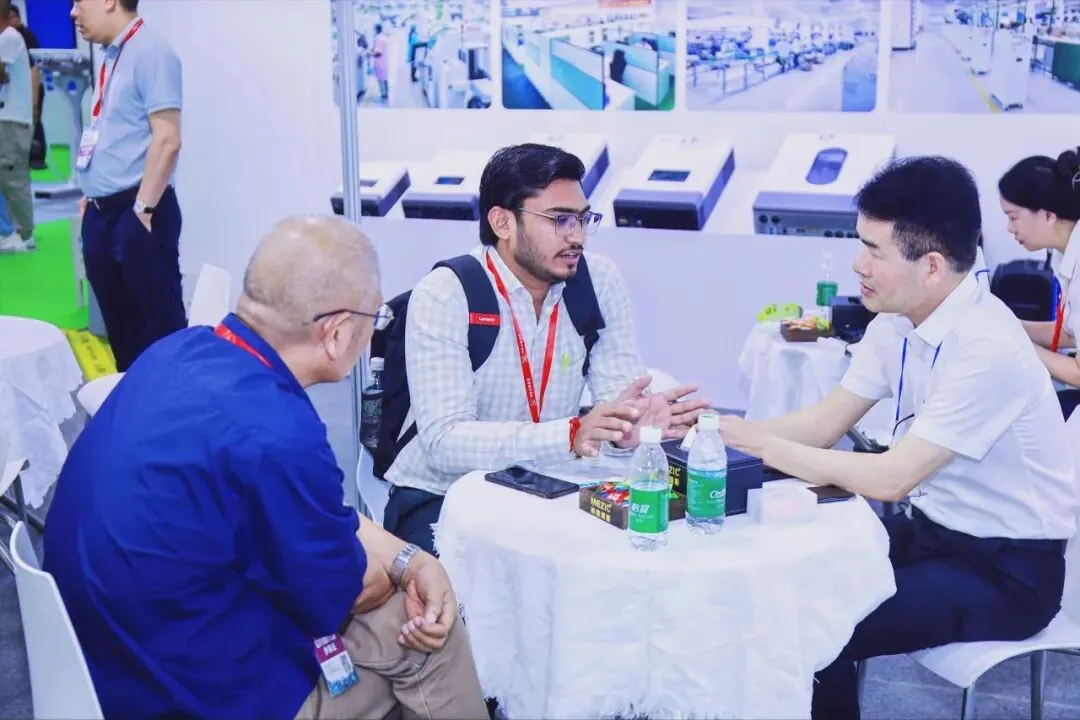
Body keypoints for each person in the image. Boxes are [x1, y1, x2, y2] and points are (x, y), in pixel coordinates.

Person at [43, 216, 489, 720]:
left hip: (106, 666)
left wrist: (411, 558)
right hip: (193, 695)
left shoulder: (179, 351)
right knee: (427, 634)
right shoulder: (278, 431)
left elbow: (321, 516)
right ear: (337, 332)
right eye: (375, 318)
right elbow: (348, 591)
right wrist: (413, 571)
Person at [713, 156, 1077, 720]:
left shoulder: (987, 346)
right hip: (933, 536)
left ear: (931, 266)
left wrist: (762, 445)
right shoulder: (896, 320)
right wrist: (714, 431)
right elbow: (825, 423)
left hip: (1007, 574)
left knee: (816, 625)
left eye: (873, 250)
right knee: (786, 581)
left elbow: (891, 477)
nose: (858, 264)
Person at [384, 143, 710, 553]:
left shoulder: (599, 281)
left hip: (552, 487)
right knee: (478, 585)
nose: (577, 237)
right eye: (560, 220)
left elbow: (616, 399)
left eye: (583, 219)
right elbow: (445, 443)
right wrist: (569, 434)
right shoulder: (447, 293)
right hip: (443, 493)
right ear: (502, 222)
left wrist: (627, 429)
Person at [71, 0, 186, 371]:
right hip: (102, 213)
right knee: (123, 336)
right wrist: (93, 191)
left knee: (161, 334)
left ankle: (172, 404)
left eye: (78, 2)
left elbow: (167, 139)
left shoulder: (151, 51)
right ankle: (135, 403)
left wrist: (143, 210)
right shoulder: (112, 55)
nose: (73, 13)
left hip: (136, 214)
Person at [998, 146, 1080, 418]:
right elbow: (1072, 332)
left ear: (1048, 215)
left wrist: (1019, 345)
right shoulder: (1064, 253)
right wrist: (1010, 326)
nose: (1010, 229)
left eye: (1013, 217)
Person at [0, 0, 34, 254]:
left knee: (13, 178)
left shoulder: (9, 37)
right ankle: (10, 230)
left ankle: (24, 234)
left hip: (12, 120)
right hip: (6, 118)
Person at [8, 5, 44, 170]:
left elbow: (34, 68)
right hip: (19, 89)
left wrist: (34, 100)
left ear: (17, 18)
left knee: (34, 123)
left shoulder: (25, 37)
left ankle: (37, 158)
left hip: (31, 86)